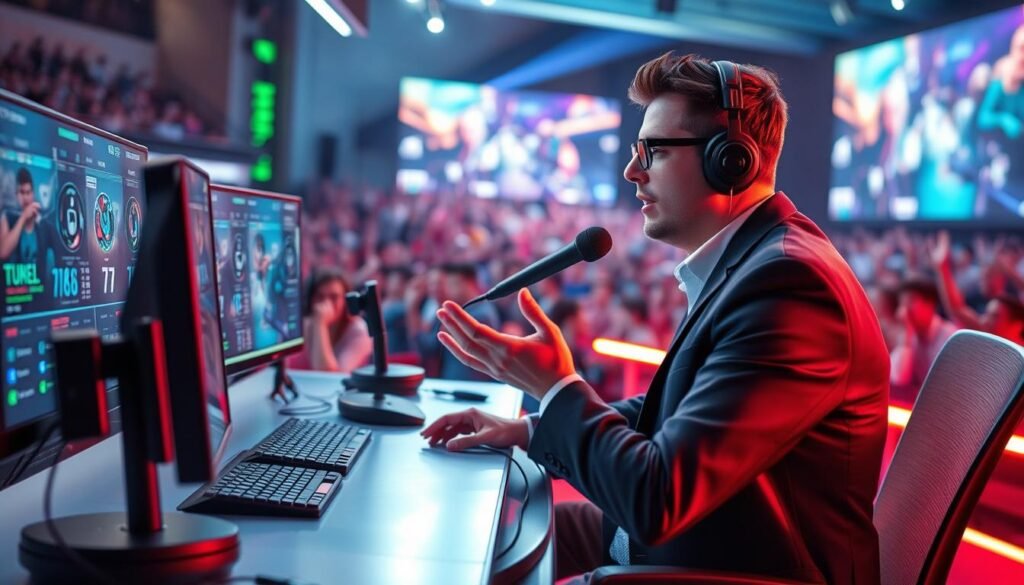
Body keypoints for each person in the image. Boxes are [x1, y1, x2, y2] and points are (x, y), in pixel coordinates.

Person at [421, 53, 889, 584]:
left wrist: (557, 389)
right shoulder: (754, 263)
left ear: (731, 159)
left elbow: (657, 499)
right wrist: (529, 427)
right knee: (487, 536)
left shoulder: (790, 287)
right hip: (703, 544)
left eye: (656, 151)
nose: (631, 171)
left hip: (727, 567)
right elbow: (678, 410)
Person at [290, 268, 372, 372]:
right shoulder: (305, 324)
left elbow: (330, 376)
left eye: (334, 297)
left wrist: (320, 324)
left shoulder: (359, 332)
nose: (326, 303)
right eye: (320, 297)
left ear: (345, 300)